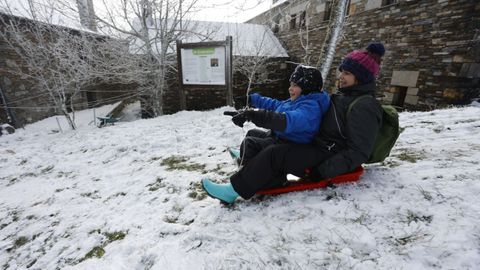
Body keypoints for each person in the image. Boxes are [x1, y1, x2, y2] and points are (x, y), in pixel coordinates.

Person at [201, 42, 385, 204]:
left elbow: (359, 151)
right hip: (316, 143)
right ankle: (252, 171)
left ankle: (234, 191)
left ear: (361, 77)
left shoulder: (365, 105)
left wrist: (322, 171)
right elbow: (283, 107)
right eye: (341, 72)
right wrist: (253, 102)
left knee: (275, 153)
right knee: (259, 137)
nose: (341, 77)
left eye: (347, 73)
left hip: (327, 154)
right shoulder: (345, 95)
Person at [229, 65, 330, 166]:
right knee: (252, 133)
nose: (290, 89)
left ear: (307, 88)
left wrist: (255, 115)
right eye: (290, 85)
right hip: (282, 138)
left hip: (290, 145)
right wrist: (250, 100)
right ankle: (248, 160)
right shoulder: (297, 101)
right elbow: (275, 105)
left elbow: (287, 120)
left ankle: (246, 174)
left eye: (295, 85)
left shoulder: (310, 107)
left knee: (250, 144)